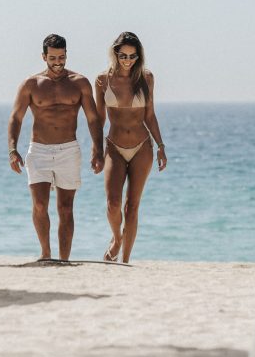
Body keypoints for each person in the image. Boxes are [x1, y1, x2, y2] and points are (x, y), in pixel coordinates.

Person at [8, 34, 104, 261]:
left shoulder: (79, 82)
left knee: (66, 208)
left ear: (66, 55)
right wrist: (13, 149)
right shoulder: (31, 84)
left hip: (68, 150)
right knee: (40, 204)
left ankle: (64, 259)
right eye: (53, 58)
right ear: (44, 56)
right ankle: (45, 254)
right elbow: (16, 117)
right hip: (39, 150)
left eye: (61, 57)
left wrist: (98, 150)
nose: (58, 62)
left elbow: (93, 119)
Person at [95, 31, 167, 263]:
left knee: (132, 206)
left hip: (141, 147)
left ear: (139, 57)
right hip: (114, 147)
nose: (127, 60)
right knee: (113, 203)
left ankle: (125, 260)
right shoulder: (102, 80)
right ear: (115, 53)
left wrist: (160, 145)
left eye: (132, 56)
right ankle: (117, 239)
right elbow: (99, 119)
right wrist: (96, 150)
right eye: (123, 55)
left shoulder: (146, 78)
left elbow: (150, 115)